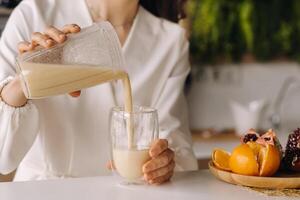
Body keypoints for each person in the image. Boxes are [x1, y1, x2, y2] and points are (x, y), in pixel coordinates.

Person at [0, 0, 198, 184]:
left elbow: (178, 149)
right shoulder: (34, 13)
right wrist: (26, 79)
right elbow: (3, 159)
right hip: (44, 190)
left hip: (123, 191)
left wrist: (163, 164)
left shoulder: (170, 41)